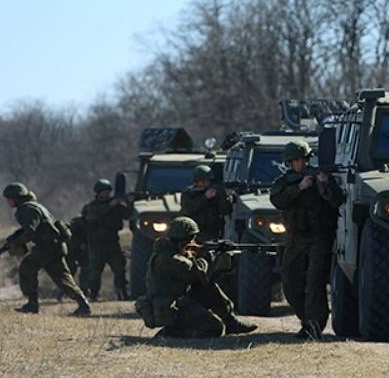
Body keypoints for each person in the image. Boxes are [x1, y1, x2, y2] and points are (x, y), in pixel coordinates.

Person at [270, 140, 345, 340]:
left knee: (314, 282)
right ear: (289, 163)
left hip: (319, 237)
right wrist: (300, 188)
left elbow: (337, 200)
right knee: (290, 282)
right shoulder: (285, 181)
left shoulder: (321, 178)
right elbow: (276, 199)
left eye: (302, 160)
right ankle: (306, 319)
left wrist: (324, 183)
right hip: (296, 237)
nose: (300, 164)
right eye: (295, 161)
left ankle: (314, 325)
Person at [135, 216, 257, 338]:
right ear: (184, 241)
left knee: (208, 287)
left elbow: (203, 281)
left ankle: (231, 323)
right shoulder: (168, 259)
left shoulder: (175, 252)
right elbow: (196, 272)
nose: (194, 242)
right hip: (170, 307)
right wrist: (206, 258)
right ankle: (169, 334)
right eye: (192, 239)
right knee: (214, 328)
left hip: (180, 301)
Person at [2, 182, 92, 315]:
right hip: (56, 246)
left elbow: (30, 232)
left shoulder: (26, 209)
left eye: (9, 199)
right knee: (63, 278)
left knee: (27, 267)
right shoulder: (35, 206)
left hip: (47, 247)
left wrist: (16, 242)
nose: (8, 202)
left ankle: (32, 304)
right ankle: (83, 304)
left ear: (16, 198)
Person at [81, 179, 133, 301]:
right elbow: (93, 216)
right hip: (96, 244)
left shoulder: (115, 206)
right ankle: (93, 294)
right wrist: (110, 205)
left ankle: (122, 293)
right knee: (95, 271)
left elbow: (127, 215)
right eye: (104, 192)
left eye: (108, 192)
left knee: (120, 267)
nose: (106, 194)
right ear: (98, 193)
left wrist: (129, 203)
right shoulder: (91, 206)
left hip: (112, 243)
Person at [180, 165, 233, 240]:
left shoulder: (216, 190)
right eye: (203, 181)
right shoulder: (188, 193)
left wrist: (227, 198)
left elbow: (224, 210)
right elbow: (187, 209)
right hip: (195, 231)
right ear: (197, 181)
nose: (206, 183)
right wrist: (205, 197)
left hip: (213, 231)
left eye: (208, 181)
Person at [56, 215, 90, 301]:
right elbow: (70, 237)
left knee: (85, 272)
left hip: (84, 251)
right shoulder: (78, 223)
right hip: (73, 251)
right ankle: (62, 294)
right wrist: (79, 244)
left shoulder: (93, 223)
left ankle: (84, 293)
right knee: (70, 272)